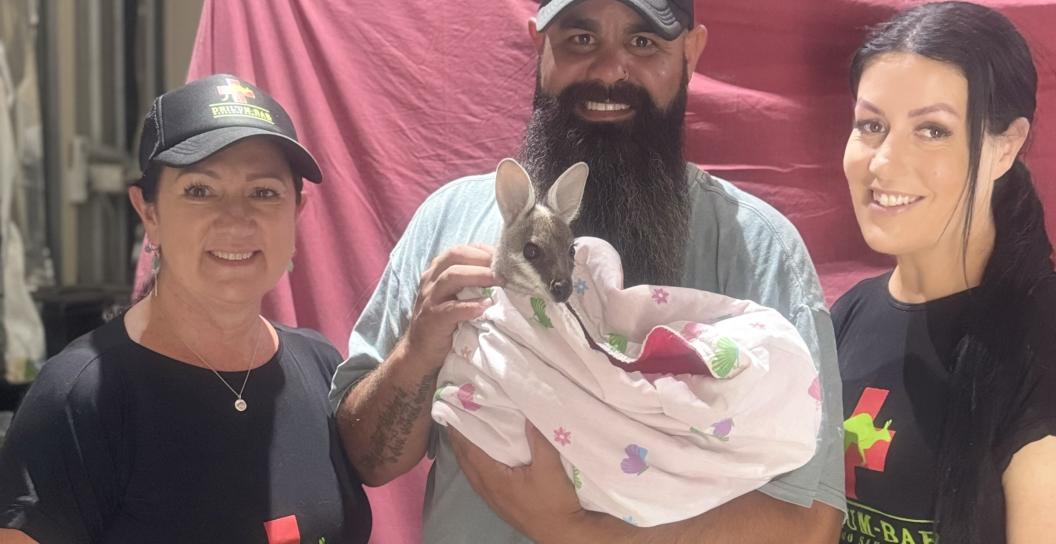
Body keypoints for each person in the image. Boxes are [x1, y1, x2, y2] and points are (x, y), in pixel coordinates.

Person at [332, 0, 845, 541]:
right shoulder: (449, 223)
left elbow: (809, 524)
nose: (607, 70)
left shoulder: (756, 248)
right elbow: (370, 461)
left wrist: (574, 529)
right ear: (538, 46)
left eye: (644, 43)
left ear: (691, 53)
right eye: (580, 39)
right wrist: (418, 352)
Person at [0, 74, 372, 543]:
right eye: (200, 190)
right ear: (148, 212)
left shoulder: (320, 366)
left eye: (264, 192)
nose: (236, 217)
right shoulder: (80, 397)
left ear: (297, 212)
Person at [834, 3, 1056, 543]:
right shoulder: (845, 315)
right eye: (871, 125)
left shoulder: (1042, 341)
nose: (884, 162)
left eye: (932, 130)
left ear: (1006, 145)